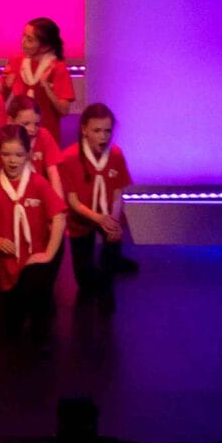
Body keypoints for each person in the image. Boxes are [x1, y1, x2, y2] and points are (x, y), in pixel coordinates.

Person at [0, 123, 65, 352]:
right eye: (6, 154)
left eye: (18, 154)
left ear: (28, 154)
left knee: (38, 294)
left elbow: (58, 216)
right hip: (5, 264)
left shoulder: (38, 183)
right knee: (10, 330)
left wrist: (48, 255)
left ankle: (41, 330)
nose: (12, 160)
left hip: (32, 261)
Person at [60, 102, 130, 315]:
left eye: (107, 131)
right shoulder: (70, 157)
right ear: (84, 130)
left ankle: (112, 270)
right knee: (85, 281)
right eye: (97, 131)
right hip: (81, 218)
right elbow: (72, 201)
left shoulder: (116, 155)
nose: (103, 136)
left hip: (107, 213)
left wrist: (113, 221)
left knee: (112, 249)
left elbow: (118, 193)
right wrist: (98, 219)